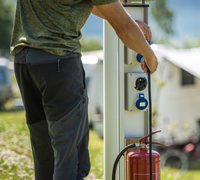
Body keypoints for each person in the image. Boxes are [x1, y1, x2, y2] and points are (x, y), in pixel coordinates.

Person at [10, 0, 158, 180]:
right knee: (70, 160)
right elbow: (124, 28)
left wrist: (123, 19)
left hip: (24, 62)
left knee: (45, 154)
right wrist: (149, 55)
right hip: (58, 63)